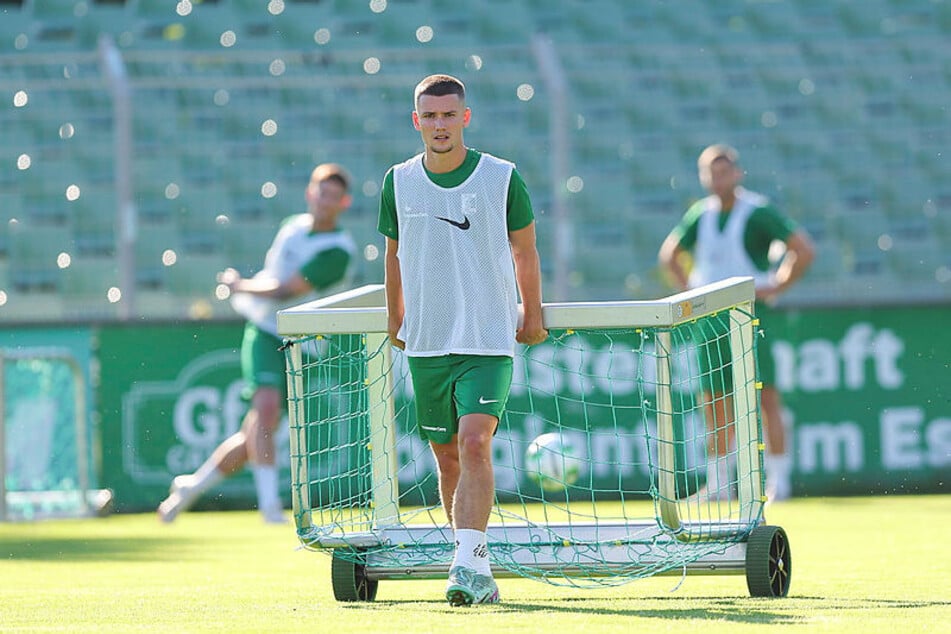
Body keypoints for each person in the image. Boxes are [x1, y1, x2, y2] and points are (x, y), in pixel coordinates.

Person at [378, 74, 547, 606]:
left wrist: (533, 311)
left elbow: (525, 251)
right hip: (427, 340)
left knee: (475, 442)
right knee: (447, 457)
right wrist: (394, 317)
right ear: (416, 121)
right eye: (430, 116)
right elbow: (392, 254)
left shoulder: (502, 177)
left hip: (488, 337)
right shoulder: (398, 181)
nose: (440, 125)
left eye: (449, 115)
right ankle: (475, 567)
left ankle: (466, 567)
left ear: (465, 118)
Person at [158, 163, 356, 524]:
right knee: (266, 412)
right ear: (310, 193)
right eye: (320, 192)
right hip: (266, 331)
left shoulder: (339, 250)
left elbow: (285, 289)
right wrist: (248, 289)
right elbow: (276, 284)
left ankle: (191, 487)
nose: (325, 201)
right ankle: (268, 509)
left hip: (306, 343)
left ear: (344, 202)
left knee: (257, 431)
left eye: (333, 196)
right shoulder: (291, 228)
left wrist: (238, 284)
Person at [658, 144, 814, 503]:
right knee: (712, 400)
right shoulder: (701, 214)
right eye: (710, 172)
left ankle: (779, 482)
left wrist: (777, 286)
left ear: (737, 173)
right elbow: (669, 255)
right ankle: (719, 484)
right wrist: (690, 294)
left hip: (749, 315)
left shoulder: (757, 212)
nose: (717, 178)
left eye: (724, 170)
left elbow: (802, 249)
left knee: (766, 396)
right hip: (710, 319)